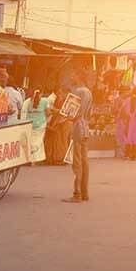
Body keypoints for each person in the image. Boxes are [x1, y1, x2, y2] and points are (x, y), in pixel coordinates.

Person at [63, 73, 93, 203]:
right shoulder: (89, 92)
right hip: (85, 126)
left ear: (78, 77)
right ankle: (84, 192)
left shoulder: (77, 91)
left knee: (77, 162)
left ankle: (77, 193)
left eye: (73, 75)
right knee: (84, 160)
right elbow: (89, 113)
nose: (71, 77)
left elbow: (70, 113)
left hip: (77, 127)